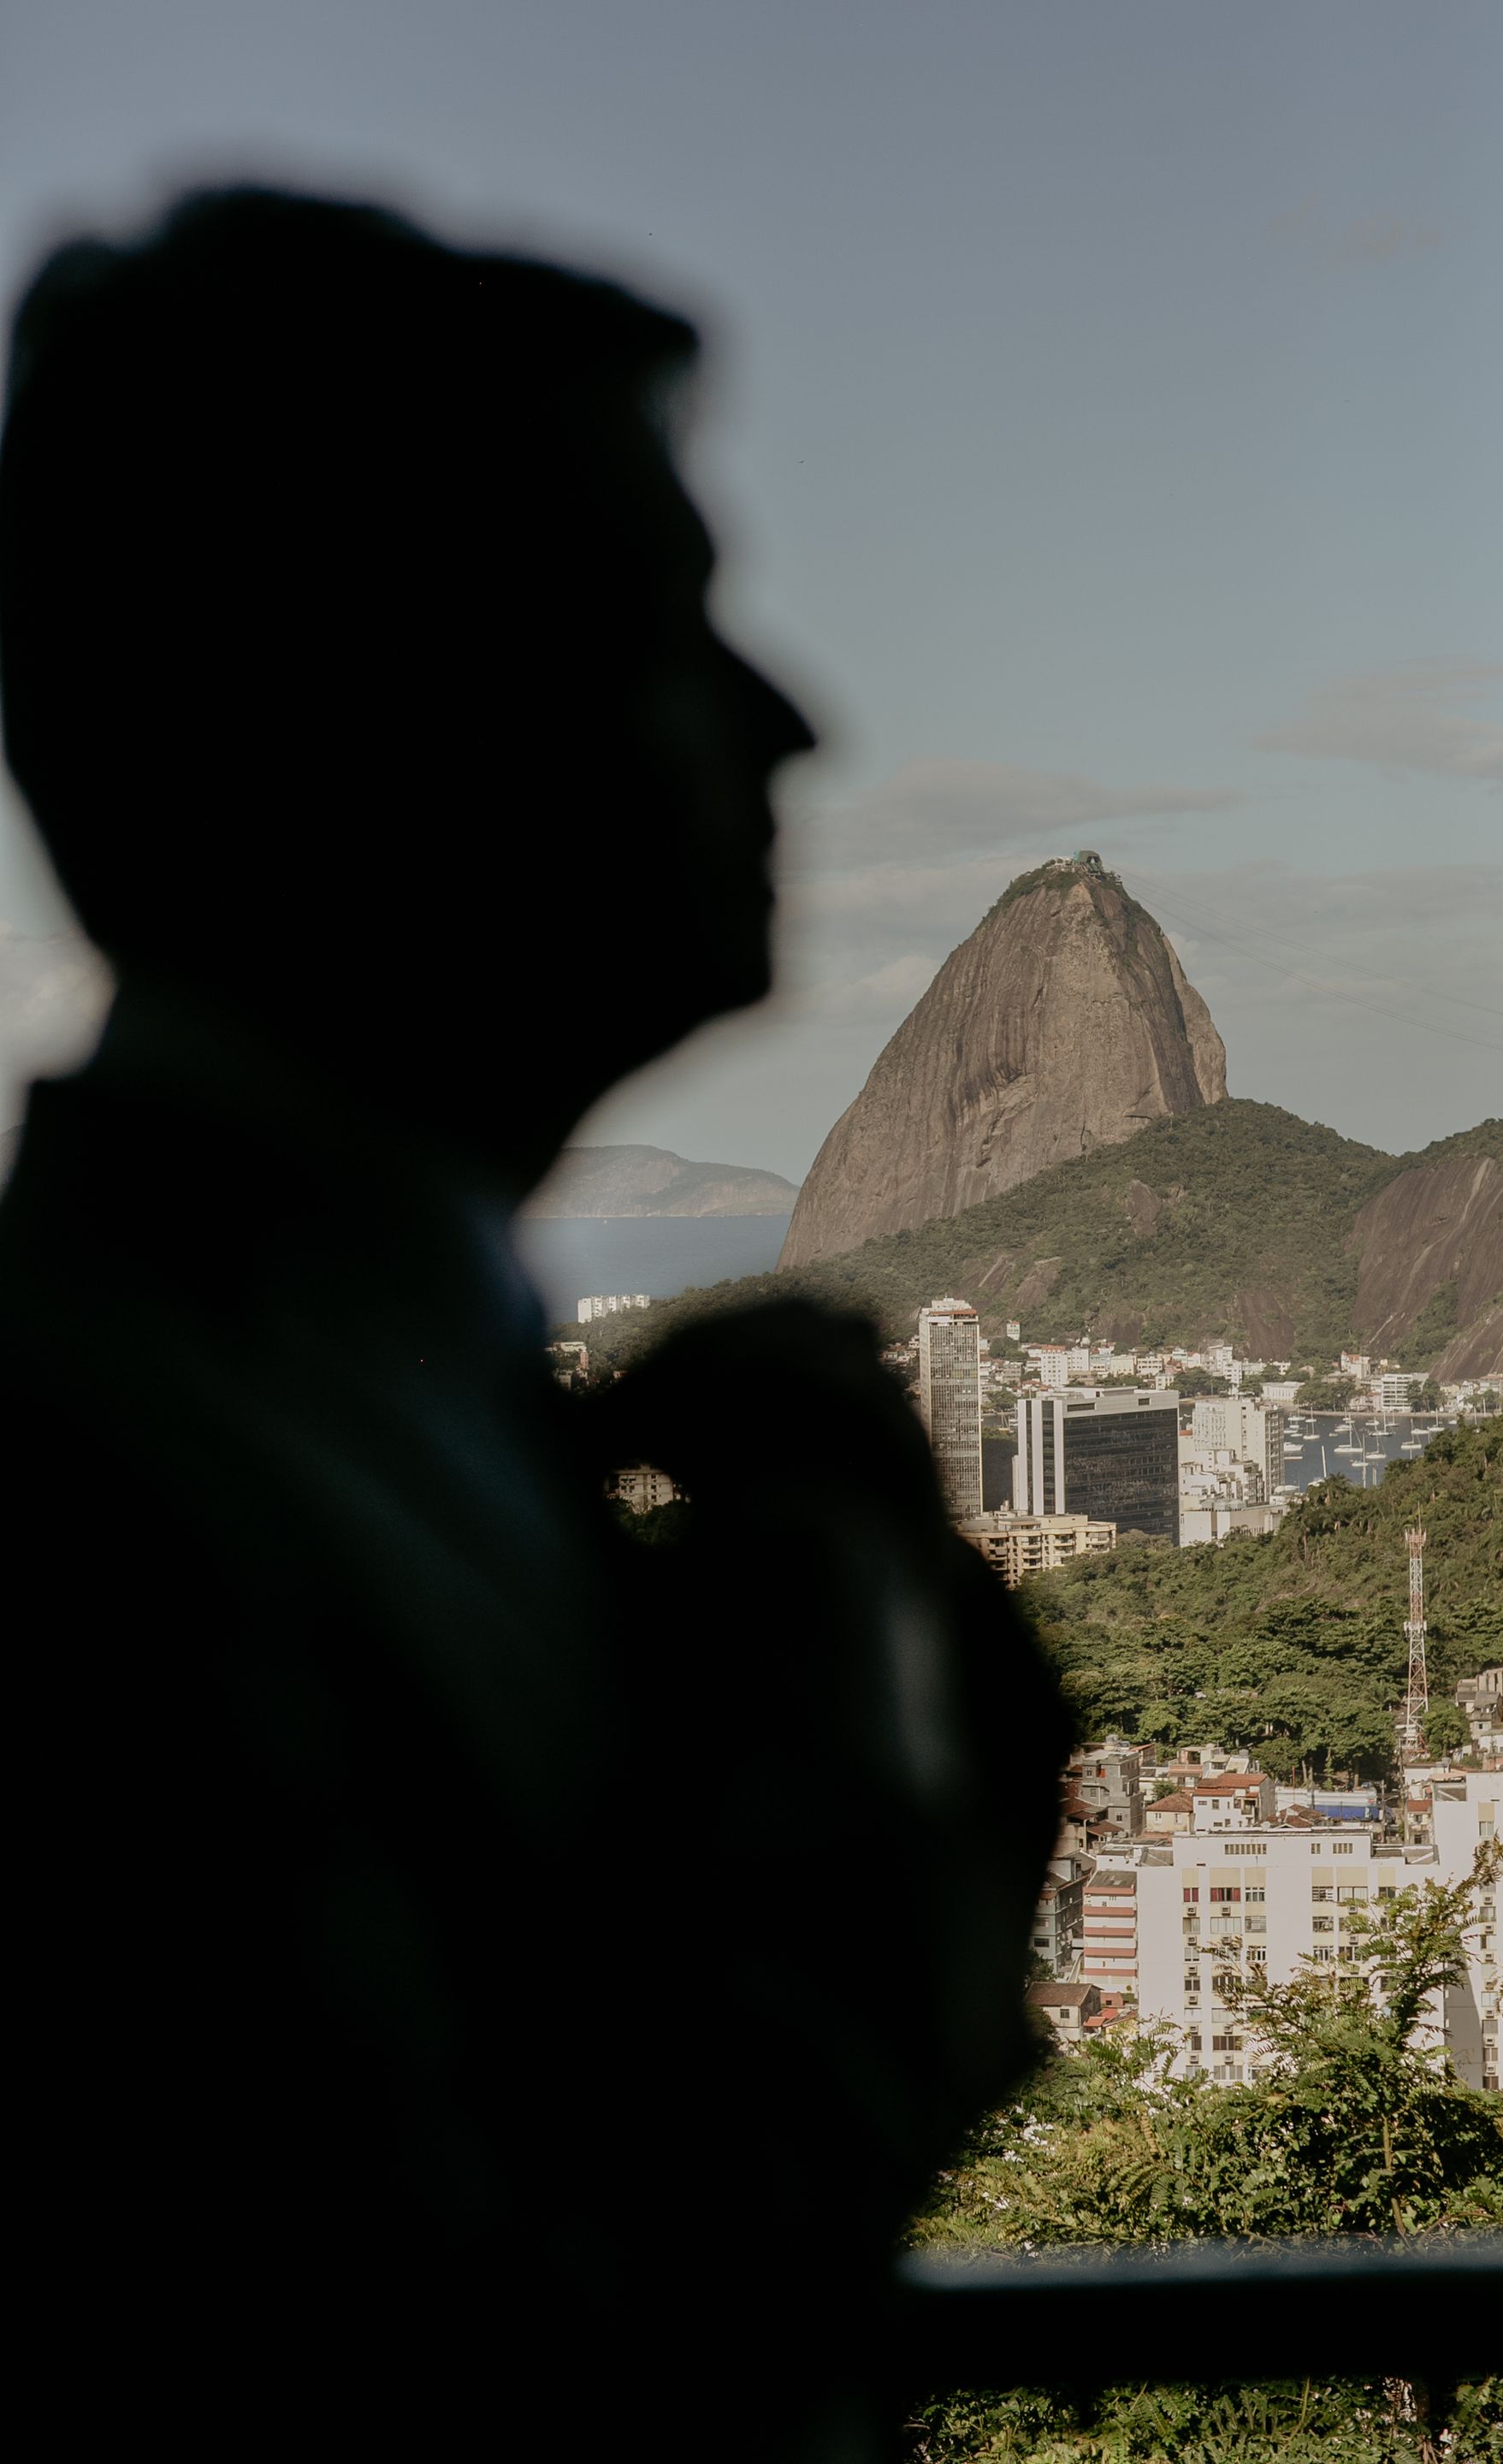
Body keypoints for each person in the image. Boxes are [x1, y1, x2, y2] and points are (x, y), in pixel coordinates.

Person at [0, 189, 1065, 2453]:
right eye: (660, 625)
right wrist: (839, 1633)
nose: (791, 718)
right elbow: (555, 2338)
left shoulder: (317, 1374)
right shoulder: (102, 1481)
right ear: (367, 713)